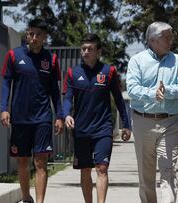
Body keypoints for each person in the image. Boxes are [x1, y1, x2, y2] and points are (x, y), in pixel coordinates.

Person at [0, 18, 64, 203]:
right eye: (31, 33)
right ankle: (27, 198)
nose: (33, 38)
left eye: (38, 34)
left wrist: (59, 116)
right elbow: (6, 83)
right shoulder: (13, 55)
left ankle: (40, 201)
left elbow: (54, 91)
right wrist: (4, 109)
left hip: (43, 117)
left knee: (41, 161)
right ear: (27, 34)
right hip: (20, 118)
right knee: (22, 161)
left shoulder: (51, 60)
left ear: (45, 37)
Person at [126, 21, 178, 203]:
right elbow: (132, 89)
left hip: (169, 122)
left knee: (168, 169)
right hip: (142, 121)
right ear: (153, 40)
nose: (171, 40)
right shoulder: (137, 61)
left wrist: (167, 91)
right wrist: (153, 93)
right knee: (146, 175)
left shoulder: (177, 60)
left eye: (171, 36)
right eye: (166, 37)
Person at [63, 33, 131, 203]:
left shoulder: (109, 71)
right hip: (81, 130)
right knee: (85, 170)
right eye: (83, 48)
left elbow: (119, 100)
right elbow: (67, 98)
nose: (86, 52)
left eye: (90, 49)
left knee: (102, 168)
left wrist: (126, 125)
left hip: (103, 129)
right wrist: (66, 115)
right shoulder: (73, 73)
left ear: (98, 51)